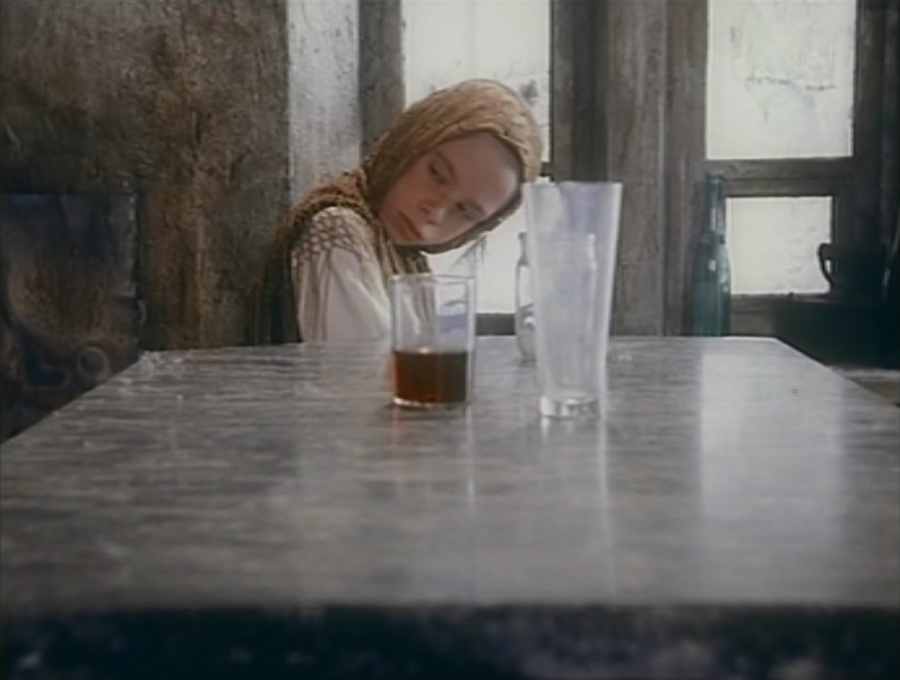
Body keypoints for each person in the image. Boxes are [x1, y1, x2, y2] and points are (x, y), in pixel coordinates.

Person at [251, 78, 542, 344]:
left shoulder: (407, 258)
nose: (436, 212)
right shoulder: (339, 229)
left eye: (466, 211)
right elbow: (364, 375)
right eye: (437, 174)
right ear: (412, 140)